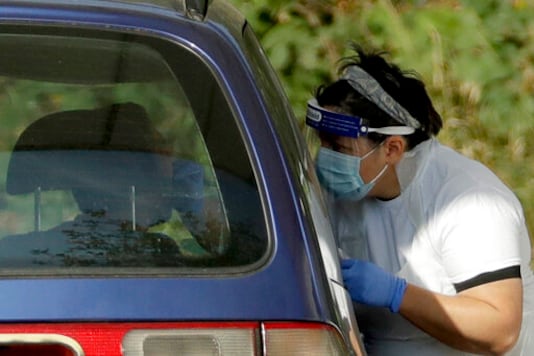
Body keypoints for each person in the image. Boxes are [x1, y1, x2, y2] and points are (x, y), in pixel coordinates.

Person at [305, 45, 534, 355]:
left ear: (392, 149)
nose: (326, 158)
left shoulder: (470, 202)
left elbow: (499, 330)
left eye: (339, 148)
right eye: (322, 143)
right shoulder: (340, 194)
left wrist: (397, 294)